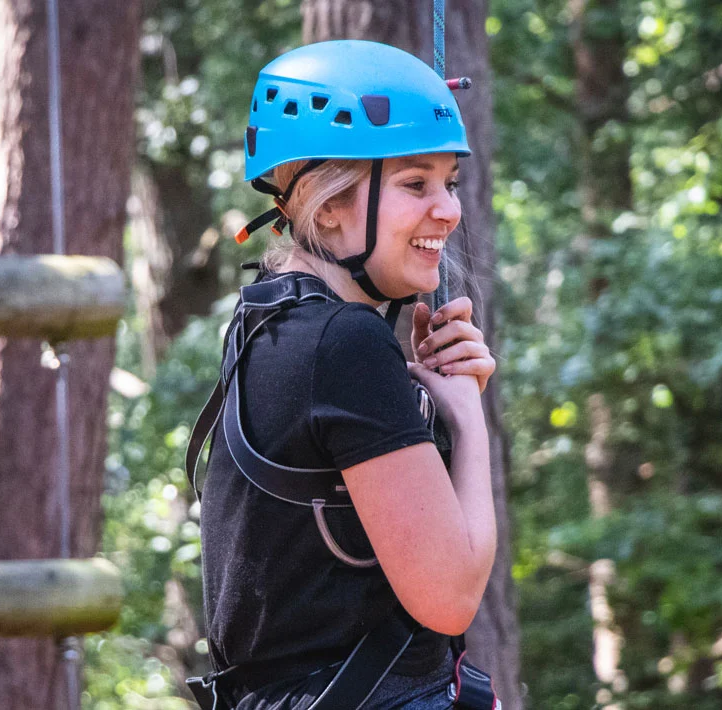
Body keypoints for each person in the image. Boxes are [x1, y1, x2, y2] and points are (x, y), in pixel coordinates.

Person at [186, 39, 499, 710]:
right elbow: (450, 597)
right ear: (327, 207)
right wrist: (467, 418)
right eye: (416, 183)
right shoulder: (342, 342)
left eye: (448, 182)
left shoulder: (263, 320)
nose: (448, 209)